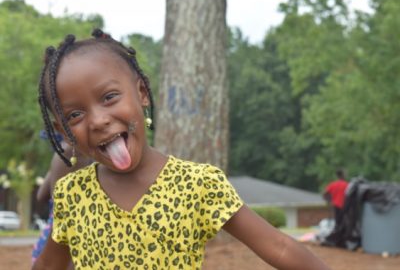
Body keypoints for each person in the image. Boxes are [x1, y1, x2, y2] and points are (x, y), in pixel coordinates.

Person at [32, 29, 330, 270]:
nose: (98, 120)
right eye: (75, 115)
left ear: (142, 93)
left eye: (109, 97)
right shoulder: (72, 194)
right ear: (63, 131)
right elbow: (49, 266)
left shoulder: (197, 184)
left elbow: (279, 247)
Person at [32, 136, 91, 268]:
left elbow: (41, 195)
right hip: (75, 228)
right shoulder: (77, 151)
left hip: (51, 230)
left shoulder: (59, 153)